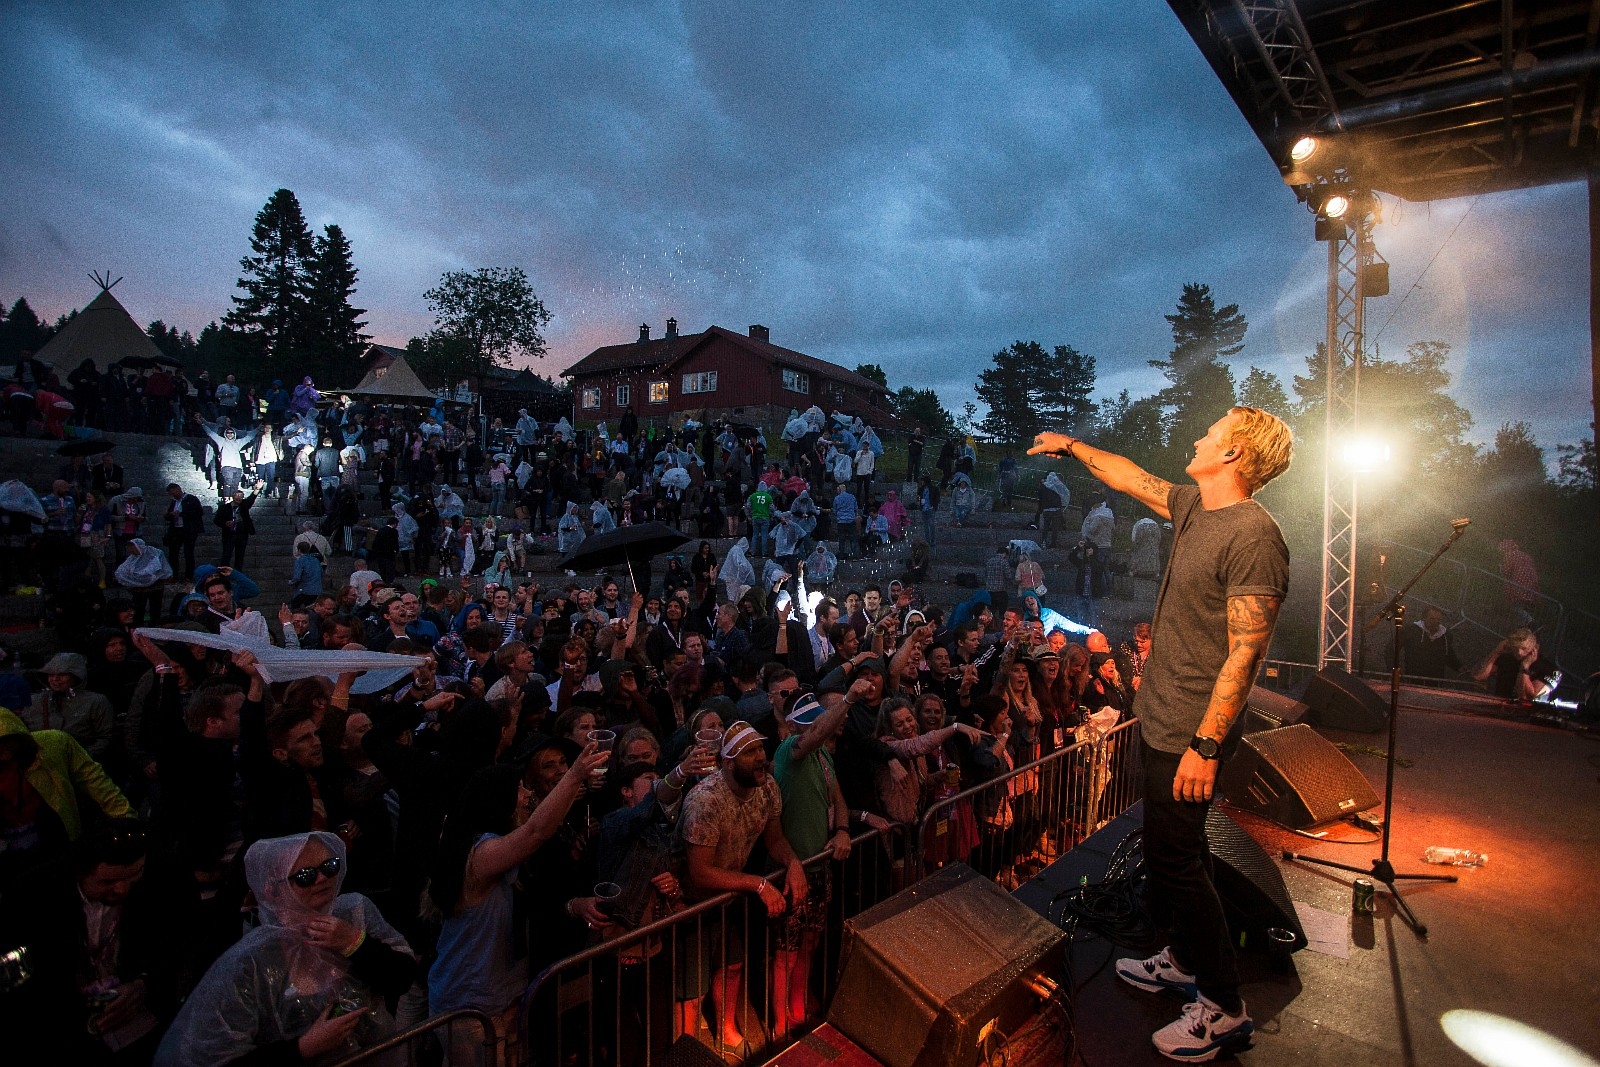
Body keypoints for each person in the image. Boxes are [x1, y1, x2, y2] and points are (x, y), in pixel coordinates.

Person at [1031, 405, 1292, 1061]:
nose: (1199, 435)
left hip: (1193, 734)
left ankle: (1223, 1007)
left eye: (1211, 431)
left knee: (1175, 858)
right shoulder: (1195, 504)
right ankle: (1183, 954)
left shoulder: (1255, 536)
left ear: (1233, 454)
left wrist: (1206, 744)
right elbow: (1131, 477)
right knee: (1178, 848)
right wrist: (1070, 446)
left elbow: (1246, 651)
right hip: (1167, 719)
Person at [154, 831, 418, 1066]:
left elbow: (402, 978)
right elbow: (213, 1055)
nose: (323, 878)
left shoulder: (353, 912)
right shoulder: (252, 958)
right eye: (305, 876)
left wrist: (355, 943)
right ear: (271, 889)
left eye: (330, 865)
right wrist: (304, 1048)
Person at [1470, 626, 1558, 701]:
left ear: (1535, 648)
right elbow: (1478, 676)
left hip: (1531, 715)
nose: (1519, 652)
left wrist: (1524, 668)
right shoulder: (1506, 659)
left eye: (1524, 648)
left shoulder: (1549, 669)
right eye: (1516, 648)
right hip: (1500, 709)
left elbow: (1526, 698)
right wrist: (1496, 652)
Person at [1392, 607, 1461, 682]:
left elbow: (1448, 655)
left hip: (1436, 682)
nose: (1436, 622)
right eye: (1432, 619)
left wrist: (1460, 668)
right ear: (1424, 618)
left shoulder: (1445, 635)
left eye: (1438, 619)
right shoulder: (1411, 630)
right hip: (1413, 680)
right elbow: (1391, 649)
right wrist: (1394, 672)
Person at [162, 483, 203, 578]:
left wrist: (181, 514)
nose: (173, 496)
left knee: (188, 553)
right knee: (173, 553)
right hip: (176, 530)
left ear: (178, 489)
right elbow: (168, 514)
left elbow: (198, 512)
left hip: (189, 530)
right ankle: (174, 575)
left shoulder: (191, 499)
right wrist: (169, 515)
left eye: (174, 493)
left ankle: (189, 576)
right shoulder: (174, 502)